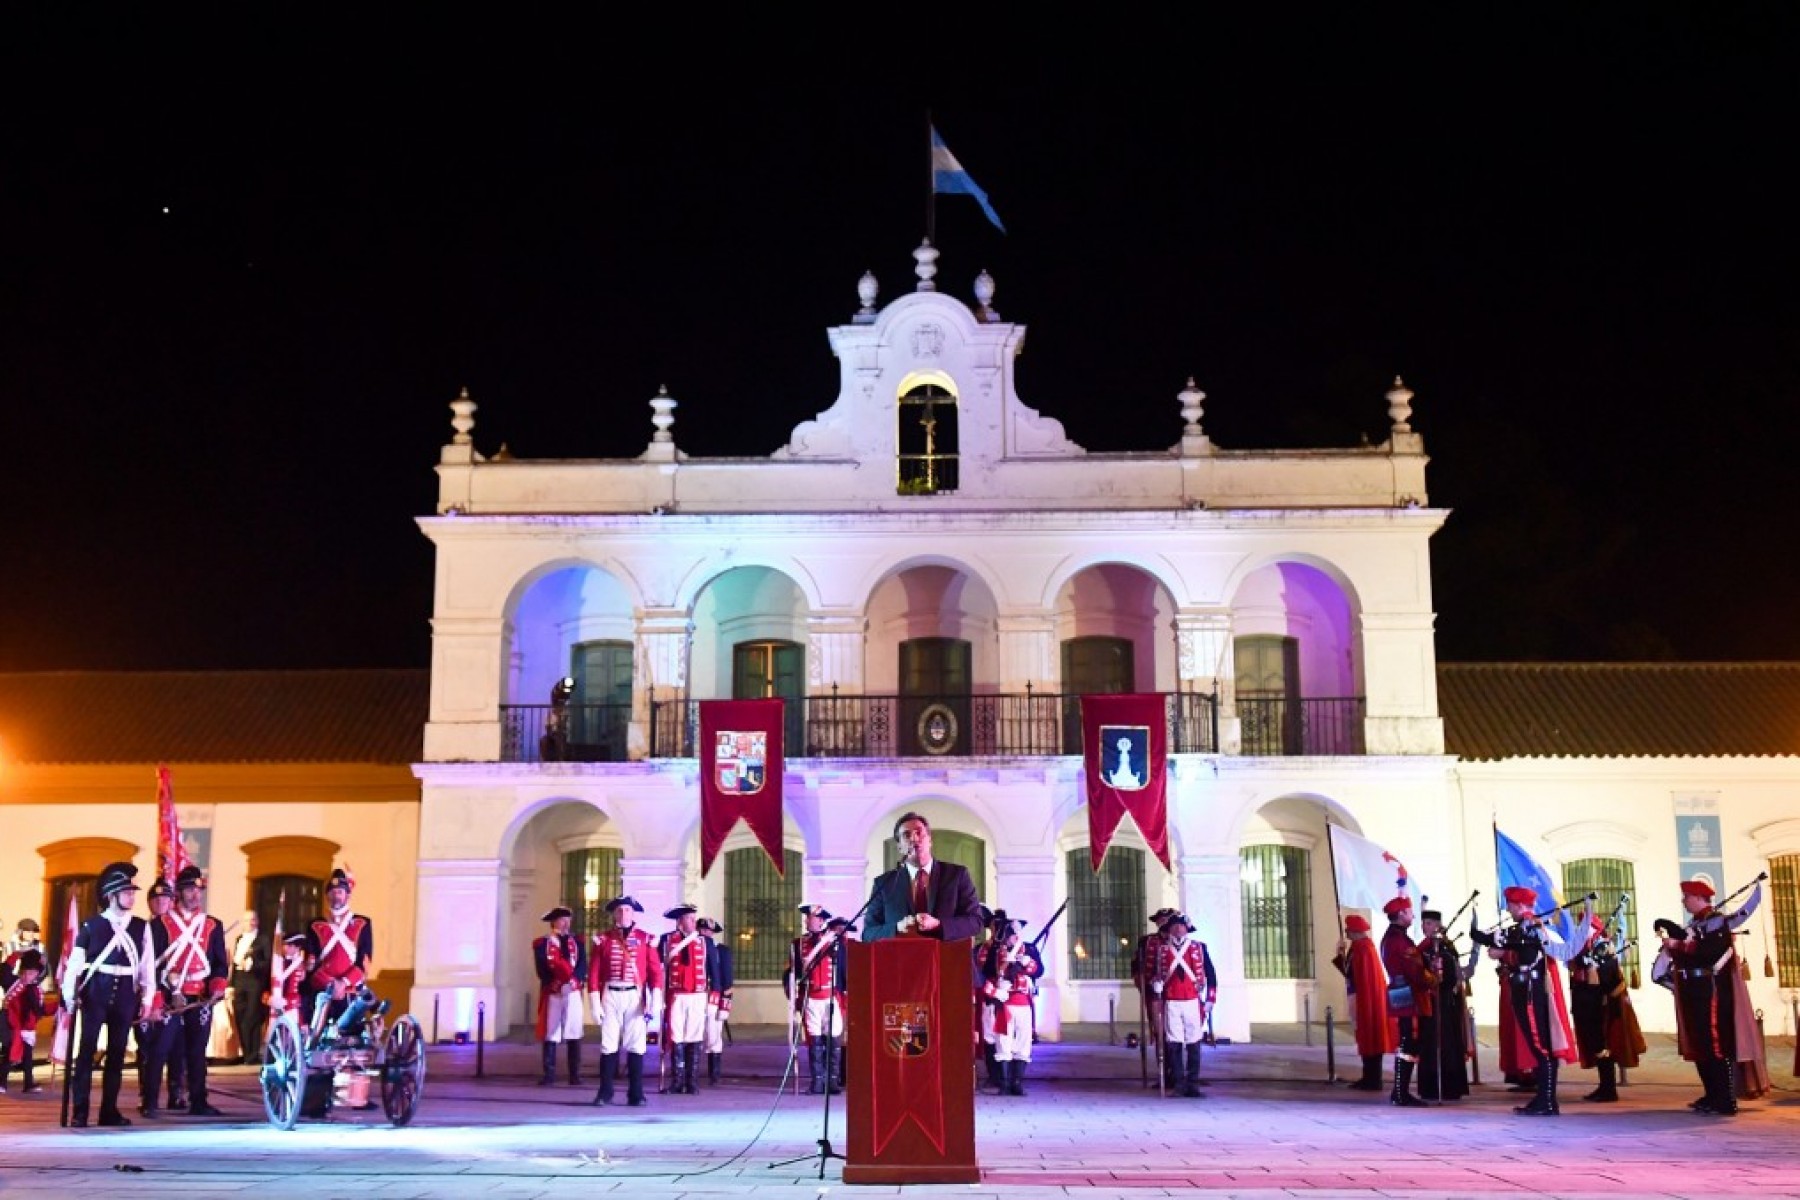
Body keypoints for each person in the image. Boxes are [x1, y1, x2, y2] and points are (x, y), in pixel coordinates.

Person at [1472, 885, 1581, 1116]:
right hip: (1523, 988)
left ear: (1521, 905)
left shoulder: (1532, 927)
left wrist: (1505, 951)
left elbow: (1529, 955)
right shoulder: (1523, 927)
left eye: (1511, 905)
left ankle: (1547, 1101)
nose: (1509, 909)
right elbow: (1498, 941)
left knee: (1541, 1045)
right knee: (1538, 1045)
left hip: (1531, 991)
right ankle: (1543, 1097)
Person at [60, 860, 154, 1128]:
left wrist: (147, 998)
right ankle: (80, 1110)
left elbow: (147, 965)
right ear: (112, 895)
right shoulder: (91, 926)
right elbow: (74, 964)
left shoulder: (140, 926)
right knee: (86, 1052)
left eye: (133, 892)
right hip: (95, 992)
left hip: (125, 994)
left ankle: (108, 1111)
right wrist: (69, 995)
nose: (132, 897)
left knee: (116, 1054)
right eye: (127, 892)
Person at [1661, 879, 1743, 1115]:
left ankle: (1726, 1100)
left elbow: (1710, 954)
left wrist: (1681, 945)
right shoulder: (1695, 923)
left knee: (1716, 1044)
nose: (1683, 901)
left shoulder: (1716, 922)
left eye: (1686, 897)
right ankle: (1711, 1095)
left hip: (1711, 988)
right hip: (1693, 987)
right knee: (1700, 1044)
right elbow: (1689, 955)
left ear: (1698, 897)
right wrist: (1673, 948)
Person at [153, 866, 229, 1117]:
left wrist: (217, 986)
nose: (195, 895)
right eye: (189, 890)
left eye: (198, 890)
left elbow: (219, 963)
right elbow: (152, 963)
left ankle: (199, 1100)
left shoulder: (212, 925)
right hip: (169, 997)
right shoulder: (161, 924)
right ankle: (151, 1101)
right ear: (179, 892)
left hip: (200, 997)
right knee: (160, 1050)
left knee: (197, 1052)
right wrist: (163, 993)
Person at [860, 812, 984, 943]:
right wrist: (897, 928)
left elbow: (976, 922)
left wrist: (938, 924)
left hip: (948, 959)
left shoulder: (957, 875)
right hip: (900, 960)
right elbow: (868, 934)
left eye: (919, 832)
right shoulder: (884, 883)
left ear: (930, 840)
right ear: (900, 847)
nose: (914, 838)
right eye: (907, 835)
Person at [587, 895, 662, 1107]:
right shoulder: (603, 939)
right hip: (610, 993)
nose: (623, 914)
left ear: (633, 913)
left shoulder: (646, 939)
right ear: (614, 914)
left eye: (627, 910)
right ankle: (605, 1092)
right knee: (608, 1044)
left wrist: (655, 1000)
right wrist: (594, 1002)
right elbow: (593, 973)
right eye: (619, 911)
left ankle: (636, 1093)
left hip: (635, 996)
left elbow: (655, 972)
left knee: (636, 1044)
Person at [1569, 912, 1645, 1103]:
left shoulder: (1603, 947)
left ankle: (1608, 1088)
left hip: (1600, 1003)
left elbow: (1608, 975)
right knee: (1595, 1044)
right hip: (1586, 1000)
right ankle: (1604, 1086)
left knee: (1602, 1044)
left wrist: (1593, 971)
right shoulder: (1586, 947)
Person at [1149, 912, 1216, 1098]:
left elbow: (1211, 975)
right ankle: (1178, 1084)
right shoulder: (1162, 950)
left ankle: (1192, 1084)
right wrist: (1156, 983)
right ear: (1169, 929)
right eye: (1174, 926)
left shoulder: (1199, 948)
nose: (1178, 929)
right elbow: (1157, 974)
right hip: (1171, 1001)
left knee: (1194, 1041)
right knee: (1174, 1043)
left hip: (1192, 1000)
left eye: (1181, 926)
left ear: (1187, 929)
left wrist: (1210, 999)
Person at [1377, 897, 1434, 1107]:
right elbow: (1415, 970)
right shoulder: (1399, 940)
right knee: (1409, 1041)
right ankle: (1400, 1092)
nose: (1413, 915)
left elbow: (1413, 957)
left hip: (1400, 990)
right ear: (1401, 914)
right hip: (1408, 993)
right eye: (1410, 912)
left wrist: (1427, 942)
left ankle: (1400, 1090)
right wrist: (1434, 978)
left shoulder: (1393, 937)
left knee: (1407, 1040)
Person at [977, 917, 1042, 1096]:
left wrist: (1027, 963)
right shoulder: (994, 952)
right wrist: (994, 991)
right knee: (1002, 1042)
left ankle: (1017, 1082)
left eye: (1018, 933)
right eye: (1013, 933)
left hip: (1022, 1002)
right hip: (1003, 1003)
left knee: (1023, 1042)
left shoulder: (1027, 950)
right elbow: (985, 974)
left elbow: (1036, 970)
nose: (1016, 937)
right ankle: (1003, 1082)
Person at [302, 867, 374, 1025]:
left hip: (350, 991)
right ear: (327, 896)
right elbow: (310, 962)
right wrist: (331, 984)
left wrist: (344, 983)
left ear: (347, 895)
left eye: (340, 892)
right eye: (333, 893)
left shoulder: (362, 923)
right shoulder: (315, 925)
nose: (336, 896)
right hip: (323, 990)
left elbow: (364, 961)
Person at [1413, 909, 1470, 1101]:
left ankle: (1448, 1086)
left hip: (1443, 1003)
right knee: (1429, 1043)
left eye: (1428, 923)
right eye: (1423, 923)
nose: (1424, 926)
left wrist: (1436, 975)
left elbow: (1451, 978)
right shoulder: (1424, 946)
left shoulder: (1445, 948)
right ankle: (1430, 1086)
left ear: (1437, 925)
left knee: (1444, 1043)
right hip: (1428, 1001)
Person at [1332, 913, 1393, 1092]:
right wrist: (1340, 955)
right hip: (1358, 997)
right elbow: (1351, 973)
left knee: (1370, 1036)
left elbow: (1362, 978)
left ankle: (1373, 1079)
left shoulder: (1365, 948)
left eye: (1348, 930)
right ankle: (1368, 1076)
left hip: (1366, 999)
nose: (1346, 933)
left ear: (1356, 931)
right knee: (1364, 1037)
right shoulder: (1357, 947)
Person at [791, 903, 848, 1095]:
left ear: (821, 921)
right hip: (810, 998)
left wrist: (846, 994)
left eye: (811, 918)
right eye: (807, 917)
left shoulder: (835, 941)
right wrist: (794, 998)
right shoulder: (798, 944)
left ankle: (832, 1082)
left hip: (830, 998)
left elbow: (844, 970)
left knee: (833, 1041)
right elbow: (795, 973)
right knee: (813, 1041)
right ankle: (817, 1082)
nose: (807, 920)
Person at [532, 905, 586, 1087]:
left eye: (568, 920)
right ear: (554, 922)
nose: (566, 923)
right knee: (551, 1032)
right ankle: (549, 1074)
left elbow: (582, 964)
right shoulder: (542, 944)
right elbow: (541, 969)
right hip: (553, 992)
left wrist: (576, 980)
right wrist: (551, 982)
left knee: (574, 1030)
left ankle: (574, 1074)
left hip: (573, 990)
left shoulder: (577, 942)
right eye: (563, 920)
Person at [659, 903, 710, 1095]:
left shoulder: (704, 941)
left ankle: (692, 1081)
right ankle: (677, 1081)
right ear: (680, 921)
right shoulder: (667, 941)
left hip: (697, 995)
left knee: (694, 1036)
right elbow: (659, 969)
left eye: (694, 918)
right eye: (690, 918)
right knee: (676, 1037)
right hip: (677, 995)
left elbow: (711, 968)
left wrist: (716, 997)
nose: (694, 921)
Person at [1132, 908, 1177, 1090]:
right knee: (1160, 1034)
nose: (1163, 923)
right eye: (1160, 920)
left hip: (1178, 994)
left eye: (1166, 920)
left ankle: (1178, 1073)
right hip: (1155, 994)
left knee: (1177, 1033)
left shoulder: (1183, 942)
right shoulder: (1147, 941)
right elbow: (1137, 966)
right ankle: (1164, 1073)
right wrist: (1142, 982)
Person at [1, 948, 49, 1095]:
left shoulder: (36, 989)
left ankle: (29, 1083)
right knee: (9, 1053)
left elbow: (40, 1009)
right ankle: (2, 1082)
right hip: (10, 1024)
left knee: (28, 1057)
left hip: (27, 1028)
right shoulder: (13, 982)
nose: (29, 975)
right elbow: (4, 970)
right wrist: (16, 955)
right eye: (27, 972)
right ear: (22, 971)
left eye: (33, 973)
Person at [230, 910, 269, 1064]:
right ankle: (246, 1053)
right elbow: (234, 964)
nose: (250, 922)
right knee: (239, 1017)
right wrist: (231, 985)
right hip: (239, 981)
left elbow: (267, 963)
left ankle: (252, 1055)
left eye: (253, 919)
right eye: (247, 920)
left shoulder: (263, 939)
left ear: (257, 921)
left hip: (254, 982)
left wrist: (254, 965)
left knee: (251, 1019)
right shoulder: (239, 938)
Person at [698, 917, 733, 1084]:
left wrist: (725, 1005)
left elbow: (727, 980)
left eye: (708, 931)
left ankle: (715, 1073)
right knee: (694, 1033)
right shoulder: (693, 948)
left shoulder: (722, 951)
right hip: (695, 996)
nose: (705, 934)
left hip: (713, 997)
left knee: (714, 1035)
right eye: (702, 931)